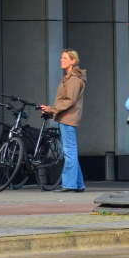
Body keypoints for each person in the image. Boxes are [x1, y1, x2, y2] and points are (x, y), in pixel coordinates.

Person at [39, 49, 87, 193]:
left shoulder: (73, 79)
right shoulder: (70, 77)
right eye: (61, 57)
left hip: (67, 118)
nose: (61, 60)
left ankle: (69, 184)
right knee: (70, 151)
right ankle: (78, 184)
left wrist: (52, 109)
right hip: (66, 118)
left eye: (65, 58)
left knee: (69, 152)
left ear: (73, 61)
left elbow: (69, 101)